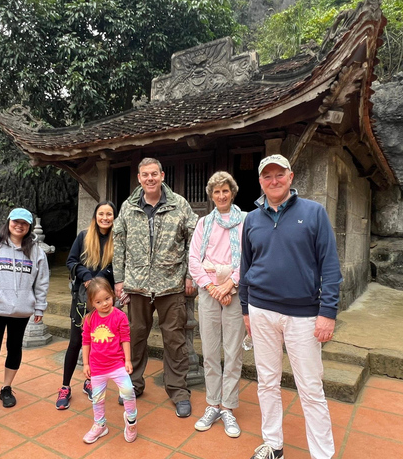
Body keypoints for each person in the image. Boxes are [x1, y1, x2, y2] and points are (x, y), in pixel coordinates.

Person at [240, 154, 341, 459]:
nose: (274, 181)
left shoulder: (314, 213)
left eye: (279, 175)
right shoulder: (251, 219)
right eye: (267, 176)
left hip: (304, 315)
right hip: (261, 310)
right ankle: (273, 445)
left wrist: (328, 312)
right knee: (267, 382)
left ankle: (322, 454)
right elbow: (245, 265)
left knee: (310, 387)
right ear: (260, 181)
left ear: (291, 176)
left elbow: (331, 266)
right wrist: (245, 309)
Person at [113, 157, 198, 418]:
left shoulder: (179, 204)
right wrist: (118, 279)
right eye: (144, 175)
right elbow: (119, 244)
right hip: (136, 285)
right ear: (138, 178)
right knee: (135, 337)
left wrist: (190, 274)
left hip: (171, 285)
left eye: (154, 174)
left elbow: (195, 238)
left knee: (174, 339)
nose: (150, 178)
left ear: (162, 175)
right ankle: (133, 385)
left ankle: (179, 391)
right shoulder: (128, 207)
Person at [0, 208, 50, 420]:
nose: (19, 225)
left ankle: (6, 388)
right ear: (9, 222)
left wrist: (40, 306)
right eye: (16, 221)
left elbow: (42, 282)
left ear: (29, 227)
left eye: (25, 223)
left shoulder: (36, 252)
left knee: (14, 349)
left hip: (21, 310)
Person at [188, 171, 246, 438]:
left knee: (233, 351)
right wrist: (212, 287)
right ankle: (212, 404)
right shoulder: (203, 223)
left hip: (234, 289)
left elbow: (250, 256)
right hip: (209, 290)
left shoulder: (246, 220)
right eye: (216, 192)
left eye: (225, 191)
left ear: (232, 192)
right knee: (211, 351)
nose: (221, 196)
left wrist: (231, 284)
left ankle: (229, 407)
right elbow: (193, 259)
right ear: (211, 195)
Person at [57, 200, 116, 410]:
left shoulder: (116, 239)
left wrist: (100, 278)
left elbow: (116, 265)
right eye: (102, 214)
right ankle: (65, 386)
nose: (105, 218)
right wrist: (87, 276)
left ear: (113, 217)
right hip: (82, 297)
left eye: (109, 214)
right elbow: (72, 261)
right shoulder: (83, 236)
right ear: (95, 216)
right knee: (75, 342)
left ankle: (90, 381)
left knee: (98, 343)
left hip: (104, 301)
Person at [81, 278, 137, 444]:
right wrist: (85, 363)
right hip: (97, 367)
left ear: (112, 295)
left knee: (128, 391)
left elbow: (125, 338)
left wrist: (127, 360)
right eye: (98, 301)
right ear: (92, 303)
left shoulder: (120, 316)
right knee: (97, 398)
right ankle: (100, 425)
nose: (104, 304)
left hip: (117, 364)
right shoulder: (90, 319)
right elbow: (86, 341)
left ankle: (131, 422)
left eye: (107, 298)